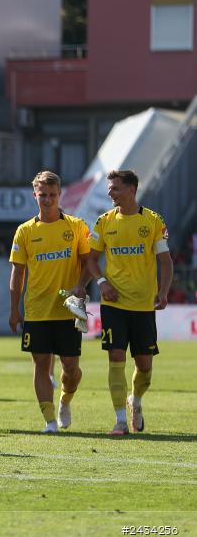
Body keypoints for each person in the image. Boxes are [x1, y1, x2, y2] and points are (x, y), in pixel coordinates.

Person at [86, 169, 172, 436]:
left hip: (144, 305)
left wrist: (164, 291)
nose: (110, 192)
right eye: (110, 188)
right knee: (115, 357)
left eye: (115, 188)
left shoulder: (153, 221)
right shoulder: (103, 222)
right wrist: (102, 284)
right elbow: (90, 259)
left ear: (131, 190)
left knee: (144, 365)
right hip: (113, 304)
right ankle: (120, 420)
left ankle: (135, 399)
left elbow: (165, 262)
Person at [9, 171, 91, 433]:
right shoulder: (24, 231)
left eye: (52, 195)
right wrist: (14, 309)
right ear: (34, 195)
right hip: (36, 310)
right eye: (42, 195)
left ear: (60, 194)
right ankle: (49, 421)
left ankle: (65, 401)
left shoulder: (76, 226)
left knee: (71, 369)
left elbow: (90, 262)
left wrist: (81, 285)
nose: (47, 199)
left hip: (68, 311)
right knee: (41, 364)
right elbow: (18, 273)